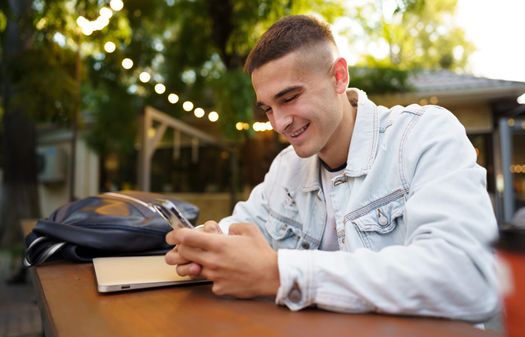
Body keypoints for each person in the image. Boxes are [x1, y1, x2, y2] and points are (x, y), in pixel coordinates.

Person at [165, 14, 499, 321]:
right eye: (267, 108)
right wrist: (209, 245)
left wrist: (279, 273)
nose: (279, 123)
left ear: (339, 77)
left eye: (289, 97)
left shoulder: (423, 135)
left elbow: (469, 280)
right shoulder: (286, 168)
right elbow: (241, 228)